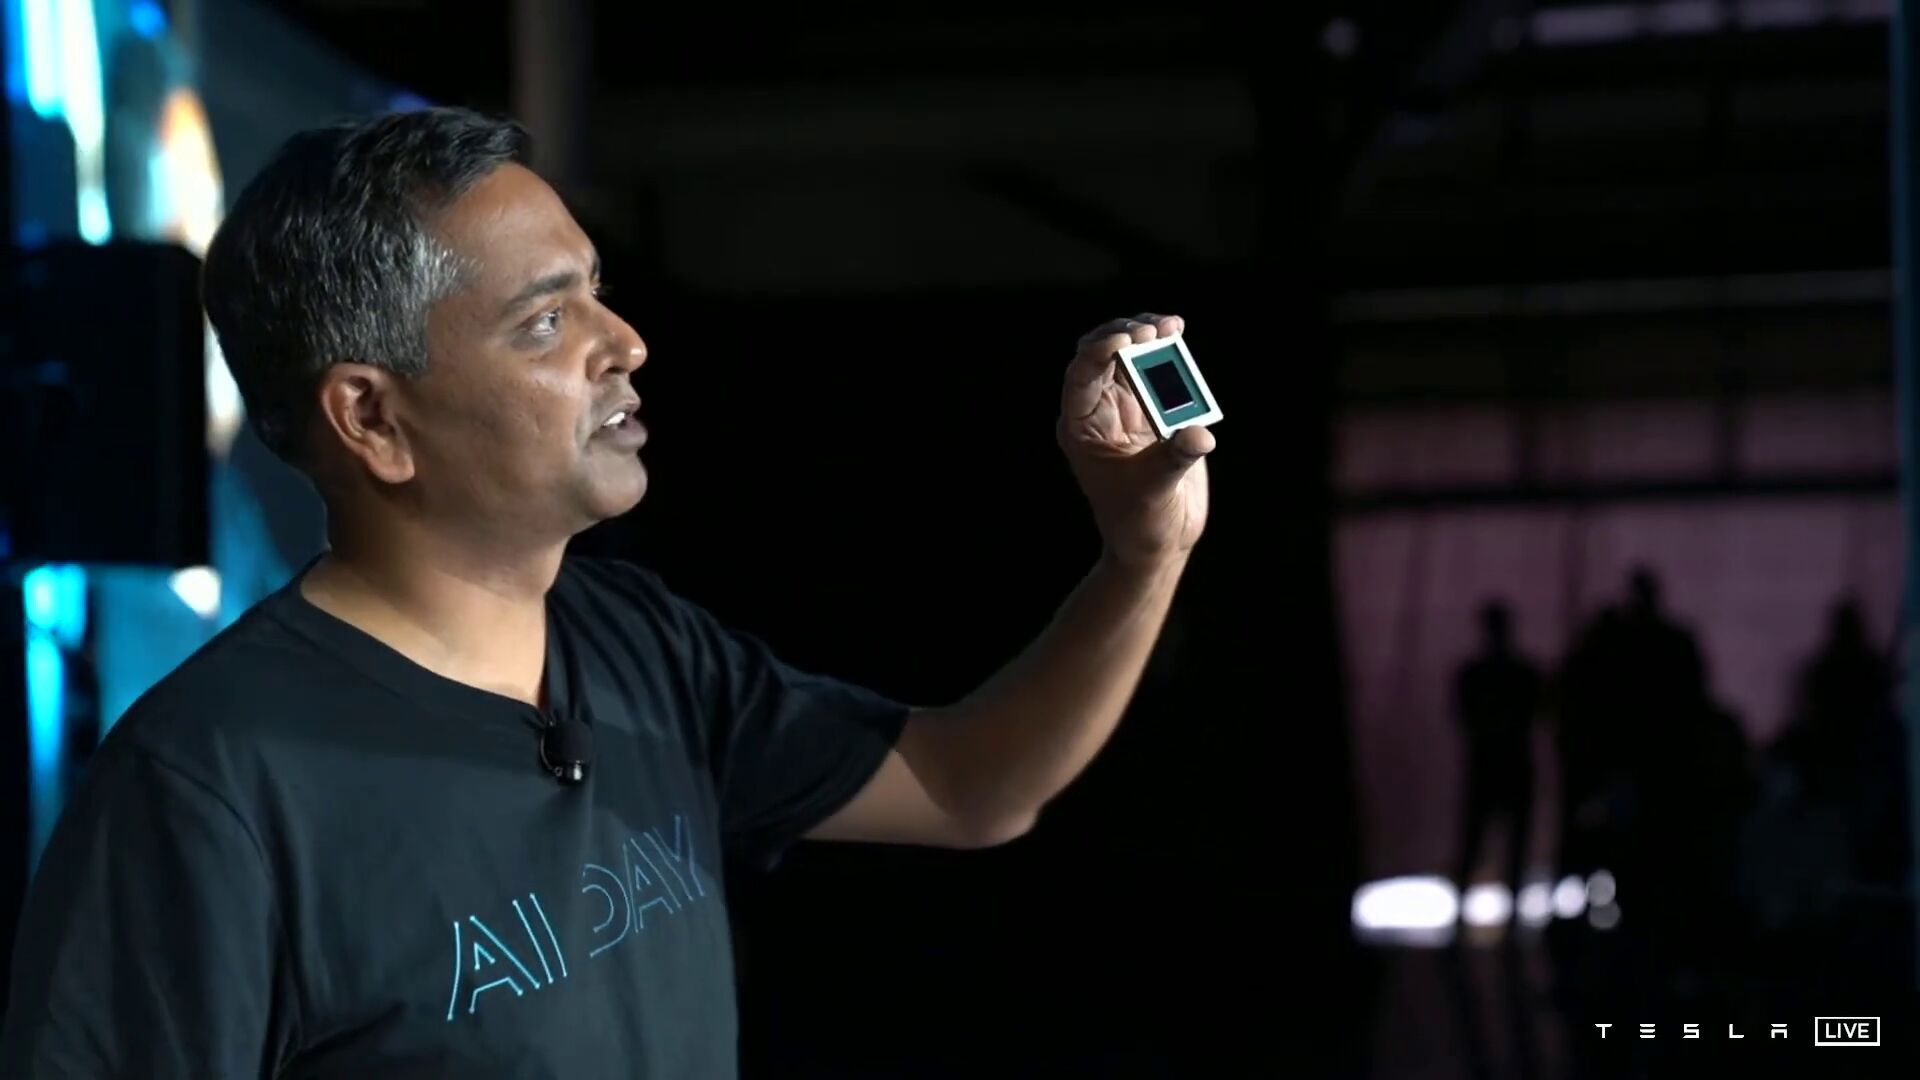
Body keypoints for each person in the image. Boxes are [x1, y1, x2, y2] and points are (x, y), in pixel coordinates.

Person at [0, 108, 1215, 1078]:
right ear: (372, 418)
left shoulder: (633, 639)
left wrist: (1142, 552)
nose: (624, 341)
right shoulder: (204, 789)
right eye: (545, 321)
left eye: (595, 288)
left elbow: (971, 788)